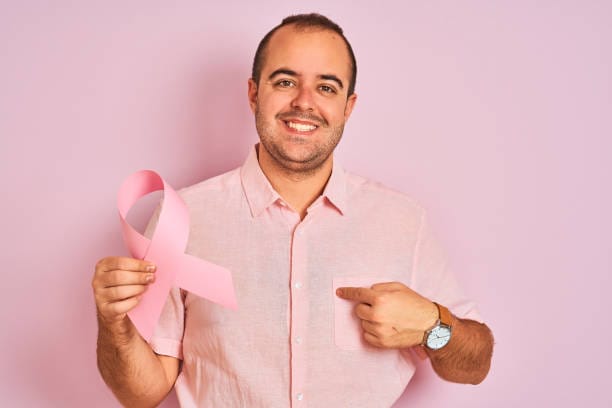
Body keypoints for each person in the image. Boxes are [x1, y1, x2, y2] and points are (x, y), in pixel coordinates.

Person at [92, 13, 494, 408]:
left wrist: (432, 326)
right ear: (253, 94)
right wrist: (113, 325)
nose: (304, 103)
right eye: (285, 82)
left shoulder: (402, 221)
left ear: (348, 106)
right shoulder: (182, 220)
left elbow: (474, 366)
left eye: (327, 87)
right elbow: (139, 394)